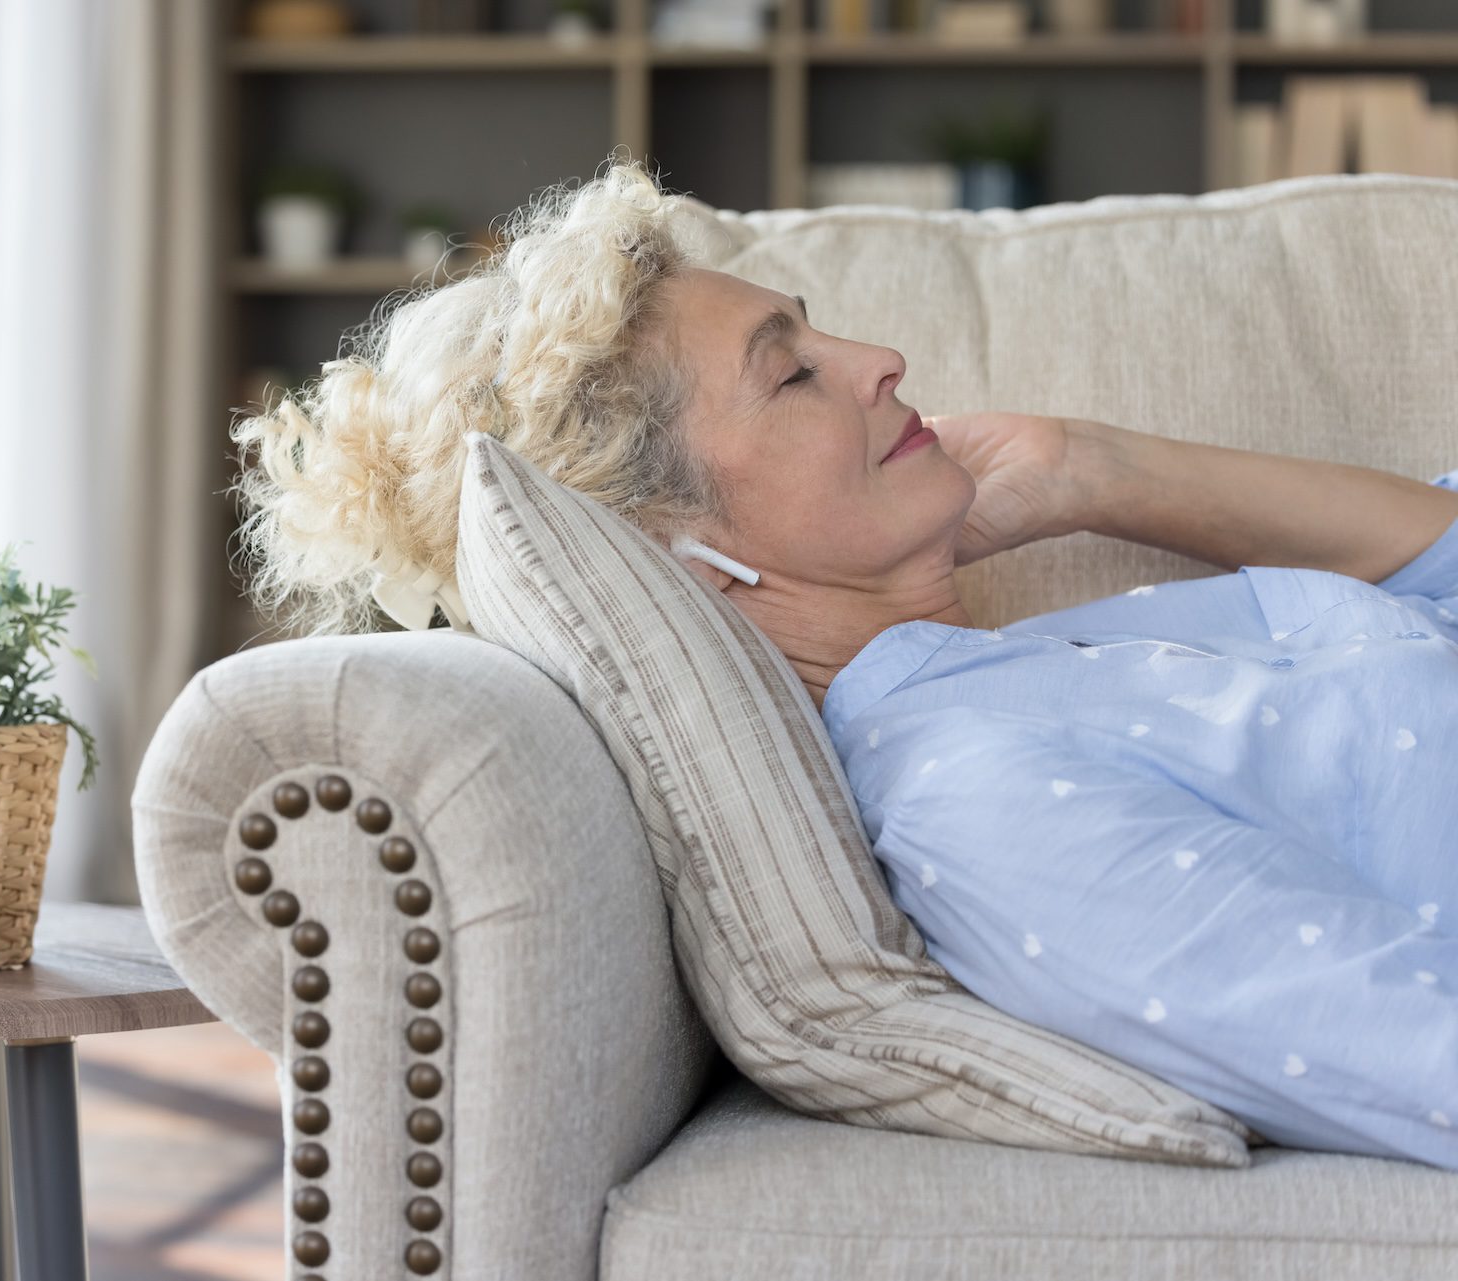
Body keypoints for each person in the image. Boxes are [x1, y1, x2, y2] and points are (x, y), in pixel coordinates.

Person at [227, 155, 1458, 1170]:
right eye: (794, 373)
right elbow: (1417, 1050)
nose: (880, 361)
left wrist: (1094, 470)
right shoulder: (983, 802)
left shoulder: (1012, 669)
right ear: (693, 558)